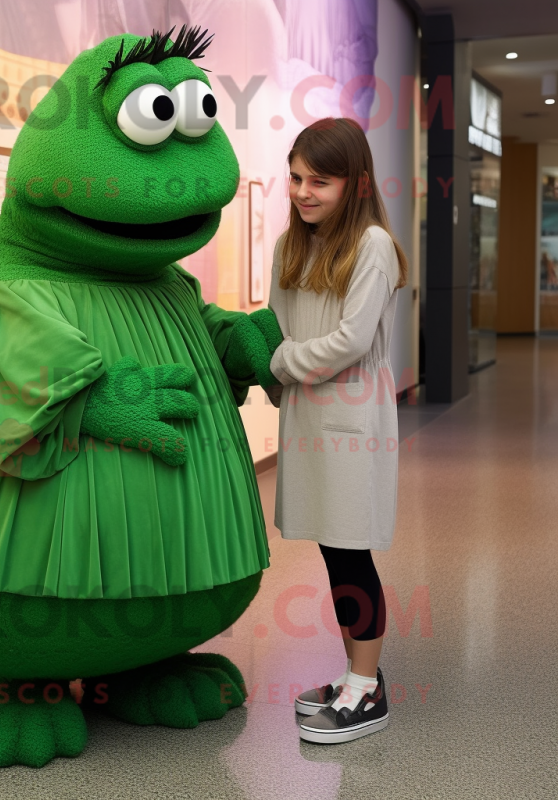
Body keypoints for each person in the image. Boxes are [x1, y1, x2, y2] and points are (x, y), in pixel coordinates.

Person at [266, 117, 408, 744]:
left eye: (319, 181)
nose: (302, 191)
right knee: (330, 550)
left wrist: (278, 365)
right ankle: (356, 675)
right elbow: (275, 325)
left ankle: (368, 690)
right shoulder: (291, 245)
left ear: (355, 185)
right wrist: (266, 368)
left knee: (351, 552)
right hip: (307, 416)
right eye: (295, 177)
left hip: (351, 417)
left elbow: (350, 342)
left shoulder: (372, 244)